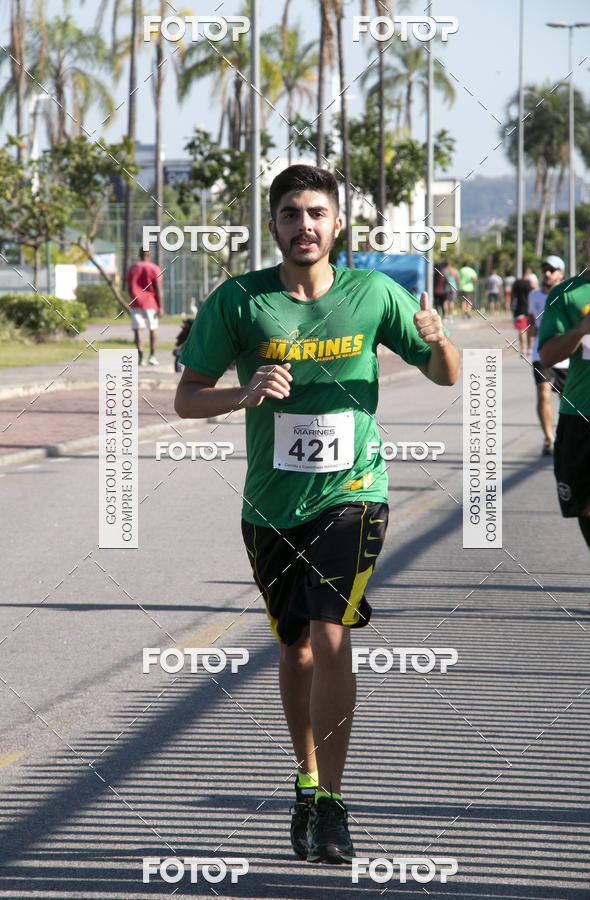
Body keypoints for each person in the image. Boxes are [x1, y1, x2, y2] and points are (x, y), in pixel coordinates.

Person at [174, 164, 460, 864]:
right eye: (291, 214)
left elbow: (445, 372)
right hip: (272, 505)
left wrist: (440, 337)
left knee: (331, 633)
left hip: (353, 493)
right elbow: (186, 398)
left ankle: (332, 801)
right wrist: (244, 396)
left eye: (317, 213)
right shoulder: (241, 301)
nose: (304, 225)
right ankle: (305, 781)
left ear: (337, 225)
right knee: (294, 647)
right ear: (273, 225)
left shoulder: (374, 294)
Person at [538, 215, 590, 613]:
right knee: (589, 507)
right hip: (583, 415)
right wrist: (582, 329)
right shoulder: (568, 295)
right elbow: (547, 356)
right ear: (586, 244)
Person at [527, 256, 568, 455]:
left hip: (566, 355)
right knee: (543, 393)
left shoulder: (568, 295)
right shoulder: (534, 296)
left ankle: (565, 436)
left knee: (566, 400)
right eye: (545, 269)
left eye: (552, 270)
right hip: (541, 353)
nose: (547, 273)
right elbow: (531, 322)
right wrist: (530, 331)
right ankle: (548, 438)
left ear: (562, 273)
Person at [126, 247, 164, 366]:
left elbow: (128, 287)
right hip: (151, 302)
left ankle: (141, 357)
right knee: (153, 328)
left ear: (139, 254)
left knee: (138, 329)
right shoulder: (154, 268)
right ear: (150, 255)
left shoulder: (133, 268)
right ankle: (152, 356)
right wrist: (161, 307)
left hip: (136, 302)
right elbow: (158, 289)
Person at [512, 266, 535, 355]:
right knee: (530, 329)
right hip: (530, 309)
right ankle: (530, 349)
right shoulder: (531, 284)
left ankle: (523, 349)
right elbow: (537, 293)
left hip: (519, 309)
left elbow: (512, 295)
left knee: (522, 329)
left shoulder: (516, 283)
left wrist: (510, 305)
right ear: (529, 273)